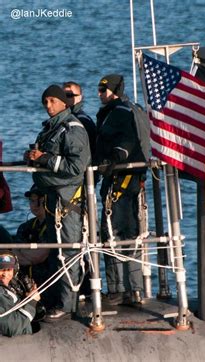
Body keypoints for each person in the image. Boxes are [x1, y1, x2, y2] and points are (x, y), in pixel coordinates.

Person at [25, 84, 90, 321]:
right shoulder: (52, 129)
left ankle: (67, 304)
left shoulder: (72, 129)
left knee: (68, 252)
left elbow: (76, 167)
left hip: (68, 201)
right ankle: (55, 300)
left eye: (52, 101)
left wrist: (45, 159)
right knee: (56, 252)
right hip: (53, 202)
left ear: (64, 102)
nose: (48, 106)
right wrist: (32, 157)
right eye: (45, 102)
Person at [95, 74, 145, 305]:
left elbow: (127, 141)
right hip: (123, 180)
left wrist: (114, 158)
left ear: (114, 90)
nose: (99, 94)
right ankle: (132, 289)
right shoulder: (122, 110)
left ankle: (120, 289)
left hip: (121, 181)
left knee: (115, 232)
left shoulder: (121, 113)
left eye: (103, 90)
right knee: (128, 233)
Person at [13, 185, 52, 308]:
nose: (34, 205)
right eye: (32, 200)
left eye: (39, 201)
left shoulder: (55, 227)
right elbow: (14, 254)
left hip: (48, 283)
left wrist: (21, 255)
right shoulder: (25, 227)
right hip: (26, 284)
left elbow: (38, 256)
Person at [0, 250, 41, 337]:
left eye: (9, 270)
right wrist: (32, 302)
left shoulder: (12, 284)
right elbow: (13, 327)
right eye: (1, 269)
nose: (5, 274)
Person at [63, 81, 97, 155]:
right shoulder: (64, 118)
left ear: (80, 97)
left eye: (69, 95)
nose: (65, 98)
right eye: (63, 95)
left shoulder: (83, 120)